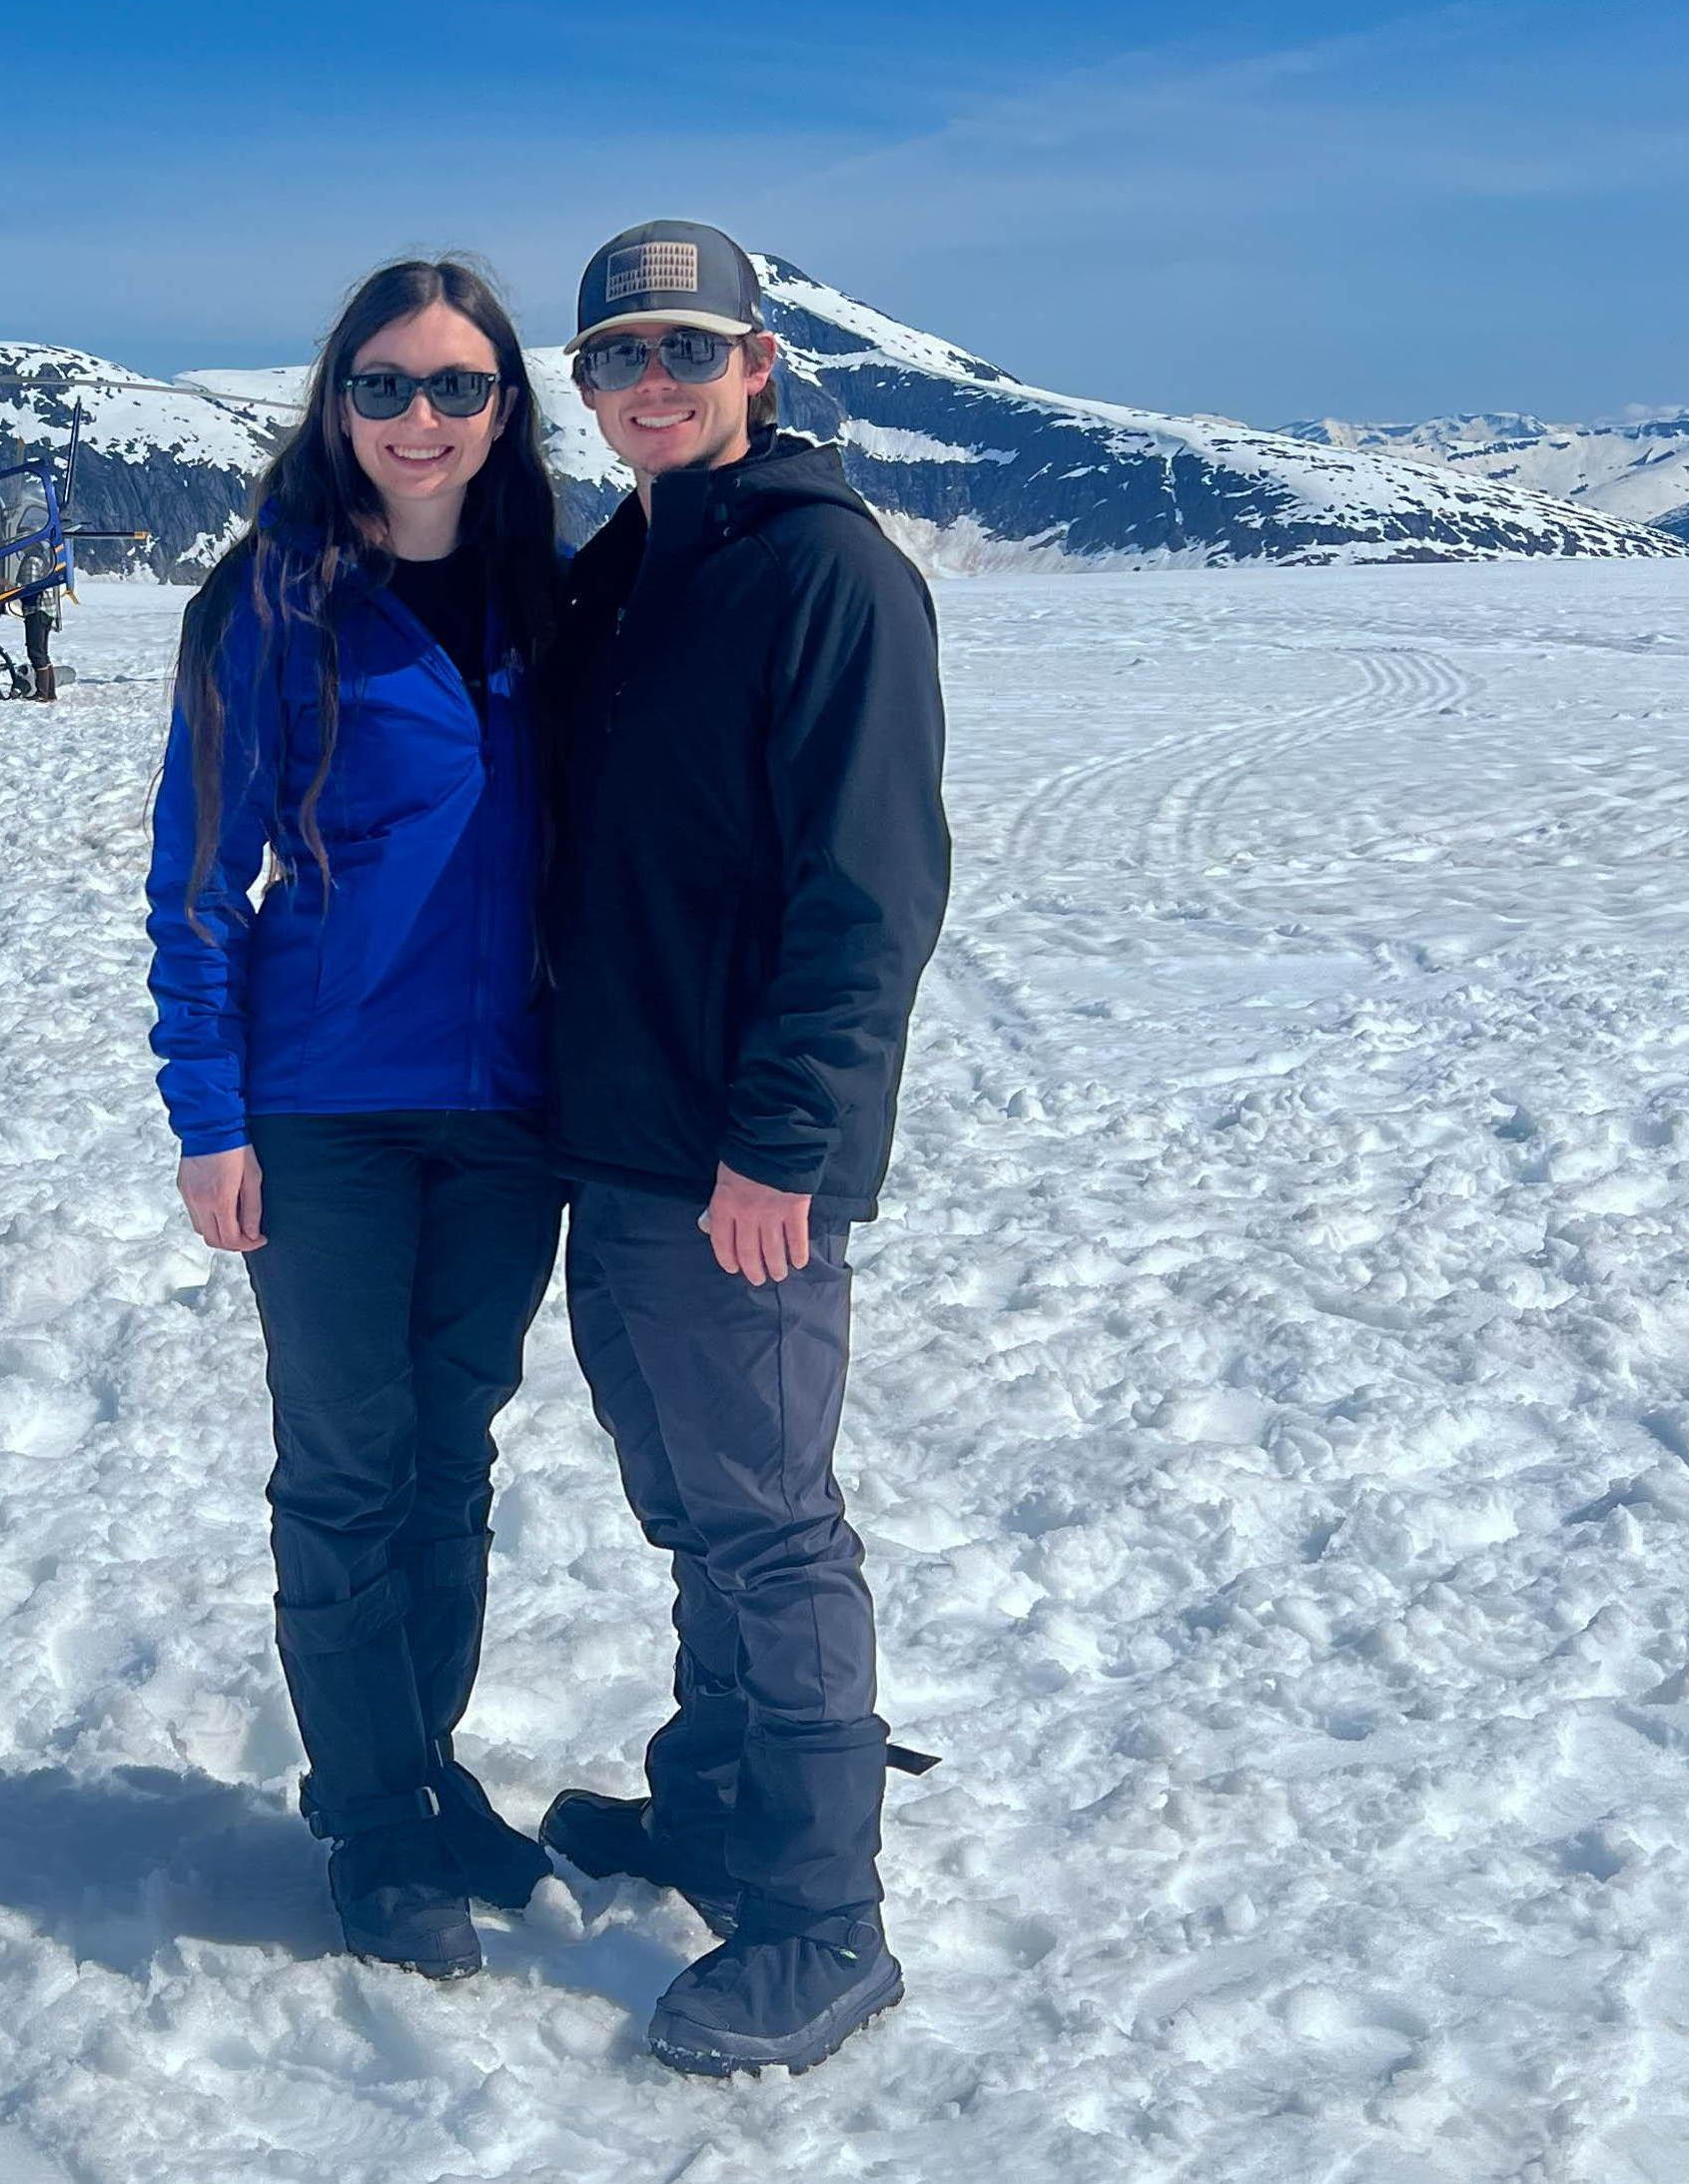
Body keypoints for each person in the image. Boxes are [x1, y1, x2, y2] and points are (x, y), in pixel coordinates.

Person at [535, 220, 951, 2076]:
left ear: (760, 366)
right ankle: (709, 1802)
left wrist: (788, 1143)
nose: (651, 384)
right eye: (618, 357)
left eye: (687, 353)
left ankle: (822, 1920)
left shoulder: (825, 578)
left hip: (734, 1163)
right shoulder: (630, 569)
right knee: (689, 1503)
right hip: (615, 1143)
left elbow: (866, 896)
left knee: (774, 1528)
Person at [145, 258, 566, 1980]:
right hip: (322, 1114)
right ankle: (372, 1821)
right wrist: (208, 1110)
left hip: (516, 1111)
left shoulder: (560, 597)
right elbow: (196, 874)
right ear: (336, 404)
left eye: (453, 387)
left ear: (504, 412)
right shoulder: (270, 600)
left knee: (450, 1461)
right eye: (382, 386)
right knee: (343, 1469)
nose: (416, 418)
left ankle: (420, 1765)